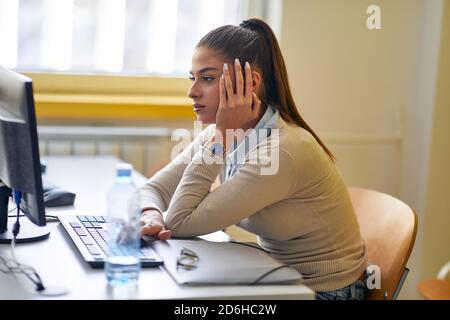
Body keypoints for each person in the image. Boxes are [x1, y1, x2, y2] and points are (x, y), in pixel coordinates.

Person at [139, 18, 368, 300]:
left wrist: (222, 138)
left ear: (251, 84)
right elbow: (153, 189)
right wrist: (150, 215)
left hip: (326, 293)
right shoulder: (220, 132)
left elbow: (179, 221)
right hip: (277, 278)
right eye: (192, 78)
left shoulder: (283, 150)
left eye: (207, 78)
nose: (192, 91)